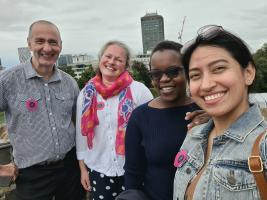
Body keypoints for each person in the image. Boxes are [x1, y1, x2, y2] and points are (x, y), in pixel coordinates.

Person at [173, 25, 267, 200]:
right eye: (195, 75)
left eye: (218, 68)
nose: (206, 84)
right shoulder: (193, 136)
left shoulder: (263, 146)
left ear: (248, 73)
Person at [0, 20, 84, 200]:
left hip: (70, 169)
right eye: (40, 41)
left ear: (60, 46)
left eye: (53, 42)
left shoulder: (70, 83)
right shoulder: (7, 81)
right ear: (29, 43)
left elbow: (79, 124)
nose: (47, 48)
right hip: (31, 175)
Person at [123, 40, 204, 200]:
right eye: (156, 74)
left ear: (187, 71)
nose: (164, 79)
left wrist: (214, 122)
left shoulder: (205, 111)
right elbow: (133, 174)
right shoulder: (140, 117)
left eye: (173, 71)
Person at [76, 40, 153, 199]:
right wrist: (83, 169)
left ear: (126, 65)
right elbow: (81, 135)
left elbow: (151, 131)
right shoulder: (86, 94)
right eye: (108, 56)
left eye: (118, 59)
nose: (111, 62)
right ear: (100, 59)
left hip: (134, 169)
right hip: (99, 168)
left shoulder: (139, 91)